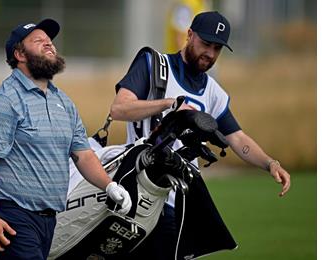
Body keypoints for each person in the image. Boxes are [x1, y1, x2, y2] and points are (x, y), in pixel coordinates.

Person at [110, 11, 291, 260]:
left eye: (217, 48)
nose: (211, 53)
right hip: (134, 195)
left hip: (176, 204)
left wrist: (271, 163)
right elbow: (119, 109)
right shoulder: (153, 64)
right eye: (206, 44)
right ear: (189, 35)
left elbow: (237, 138)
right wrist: (171, 105)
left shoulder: (214, 93)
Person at [0, 18, 132, 260]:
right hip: (12, 214)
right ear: (20, 54)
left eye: (50, 42)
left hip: (49, 219)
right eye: (39, 41)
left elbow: (83, 154)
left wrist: (109, 186)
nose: (49, 45)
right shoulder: (4, 102)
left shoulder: (63, 102)